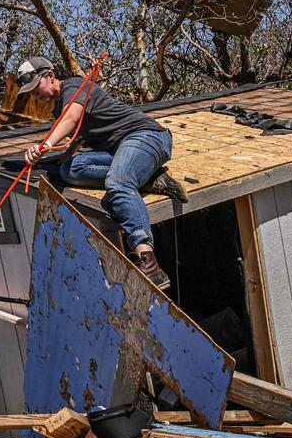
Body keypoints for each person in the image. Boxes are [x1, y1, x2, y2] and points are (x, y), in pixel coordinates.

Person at [16, 56, 187, 289]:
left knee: (118, 182)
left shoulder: (75, 87)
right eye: (30, 92)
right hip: (119, 150)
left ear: (50, 76)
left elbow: (72, 117)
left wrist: (43, 145)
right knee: (70, 171)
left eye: (36, 87)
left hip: (146, 137)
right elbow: (74, 139)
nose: (35, 95)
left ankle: (149, 263)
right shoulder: (60, 110)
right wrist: (59, 156)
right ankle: (149, 178)